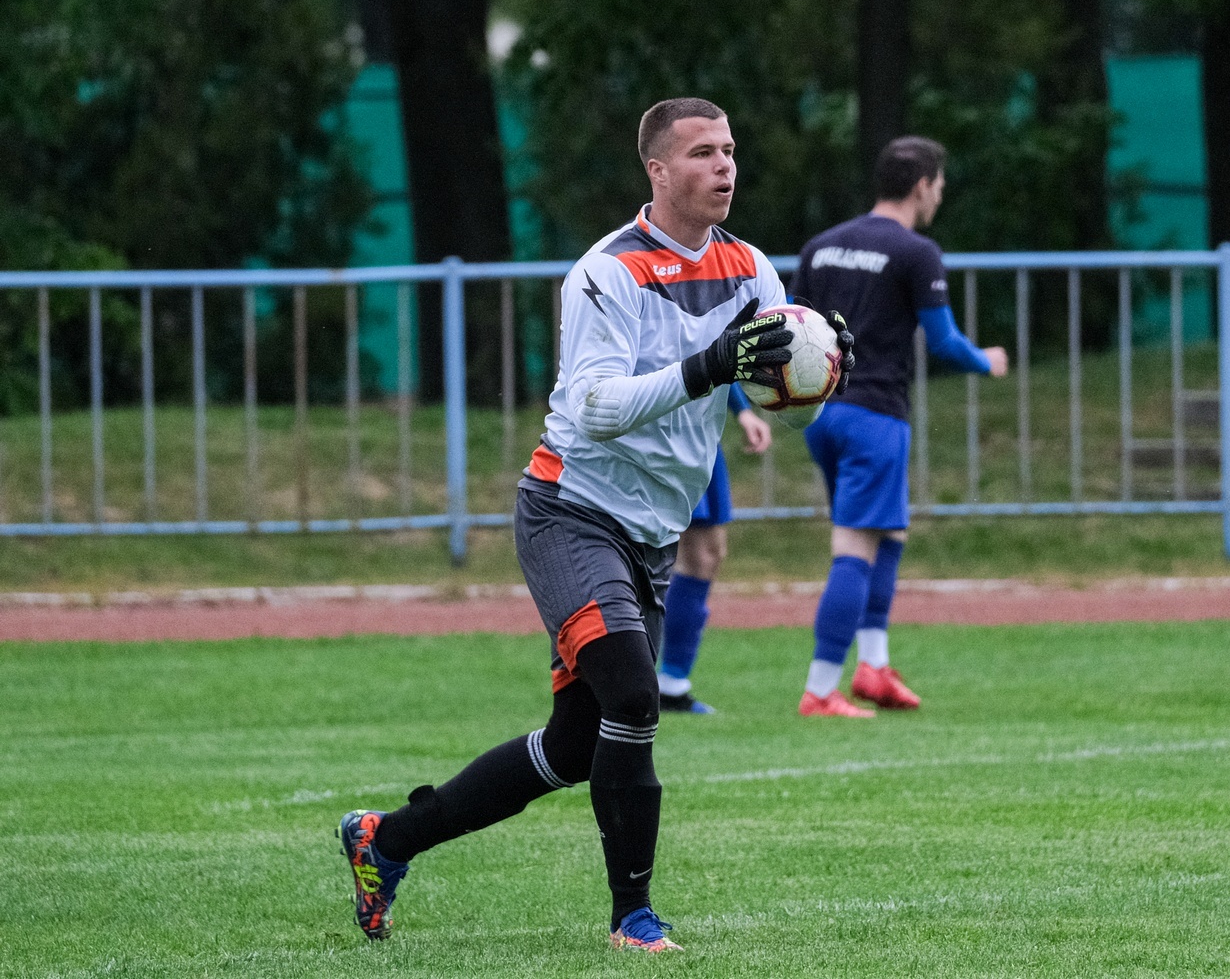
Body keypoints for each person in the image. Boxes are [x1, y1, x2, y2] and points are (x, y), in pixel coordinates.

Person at [335, 97, 852, 951]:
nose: (724, 165)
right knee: (636, 696)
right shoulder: (605, 272)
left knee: (577, 746)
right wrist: (708, 366)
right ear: (658, 169)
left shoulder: (754, 269)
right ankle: (632, 919)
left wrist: (819, 378)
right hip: (570, 514)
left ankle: (386, 840)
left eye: (729, 149)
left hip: (653, 537)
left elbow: (777, 405)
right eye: (702, 153)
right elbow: (599, 409)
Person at [790, 136, 1007, 718]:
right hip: (876, 415)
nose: (940, 195)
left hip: (824, 413)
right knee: (855, 546)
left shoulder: (822, 246)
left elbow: (790, 326)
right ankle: (820, 689)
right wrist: (986, 360)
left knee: (888, 533)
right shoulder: (916, 251)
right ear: (922, 186)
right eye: (940, 185)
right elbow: (944, 343)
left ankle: (875, 667)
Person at [657, 386, 773, 714]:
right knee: (632, 552)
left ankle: (671, 685)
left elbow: (710, 352)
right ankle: (606, 685)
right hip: (658, 424)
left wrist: (742, 409)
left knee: (705, 555)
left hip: (698, 429)